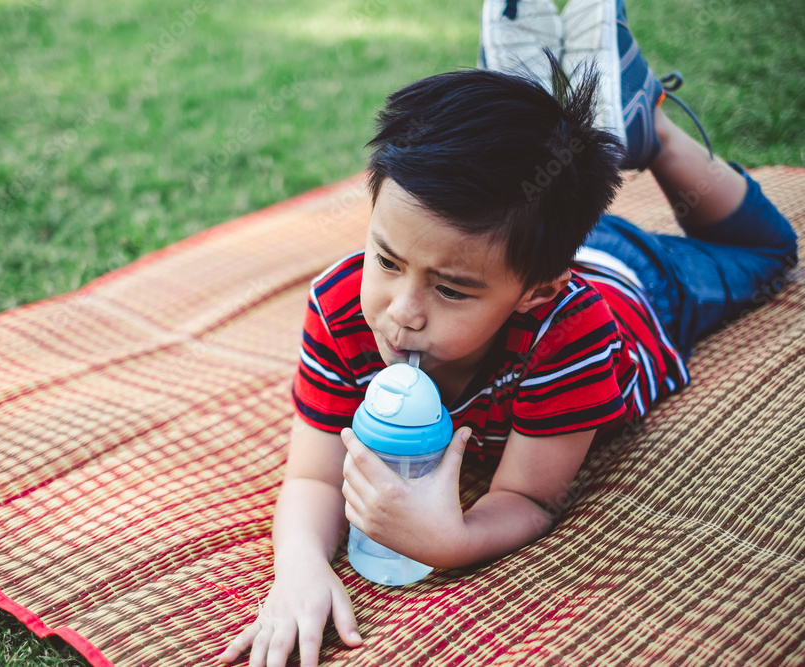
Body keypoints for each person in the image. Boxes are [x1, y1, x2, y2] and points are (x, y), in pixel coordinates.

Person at [220, 1, 799, 665]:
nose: (402, 311)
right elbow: (314, 477)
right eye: (386, 259)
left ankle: (648, 127)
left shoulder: (570, 336)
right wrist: (297, 568)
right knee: (517, 218)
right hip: (517, 252)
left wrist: (453, 540)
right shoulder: (339, 308)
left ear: (538, 292)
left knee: (768, 254)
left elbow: (528, 495)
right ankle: (540, 123)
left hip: (639, 283)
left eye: (449, 289)